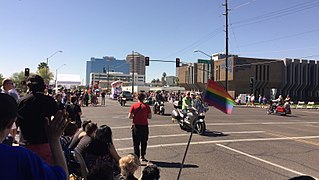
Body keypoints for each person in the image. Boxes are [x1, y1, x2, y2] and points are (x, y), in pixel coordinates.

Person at [0, 93, 69, 179]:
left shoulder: (22, 100)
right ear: (10, 122)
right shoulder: (19, 157)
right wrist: (54, 139)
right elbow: (61, 176)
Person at [17, 75, 59, 164]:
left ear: (29, 87)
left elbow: (15, 123)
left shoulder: (21, 101)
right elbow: (58, 119)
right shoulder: (50, 101)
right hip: (45, 142)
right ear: (43, 87)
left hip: (26, 143)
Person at [128, 93, 152, 162]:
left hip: (136, 126)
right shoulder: (147, 106)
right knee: (144, 141)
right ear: (144, 98)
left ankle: (136, 156)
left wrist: (135, 116)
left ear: (137, 98)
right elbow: (150, 116)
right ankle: (142, 156)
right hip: (144, 126)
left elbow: (129, 116)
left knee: (136, 142)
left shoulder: (134, 106)